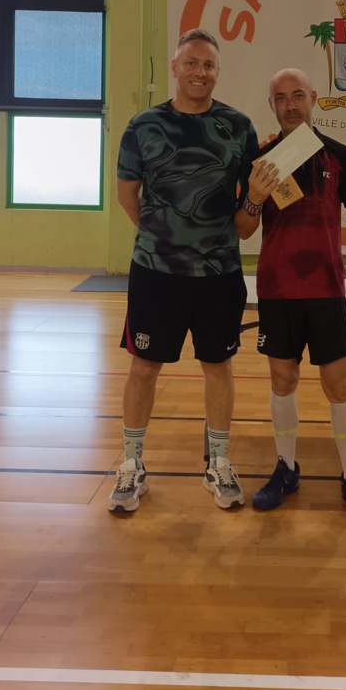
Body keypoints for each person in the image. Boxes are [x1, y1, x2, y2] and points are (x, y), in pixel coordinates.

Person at [109, 28, 278, 515]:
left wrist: (254, 200)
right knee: (144, 367)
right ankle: (132, 464)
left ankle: (218, 463)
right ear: (174, 67)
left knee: (218, 367)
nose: (199, 72)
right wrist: (162, 238)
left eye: (208, 65)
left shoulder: (238, 127)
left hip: (219, 274)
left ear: (217, 72)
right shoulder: (143, 125)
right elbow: (127, 194)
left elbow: (247, 223)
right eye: (191, 63)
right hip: (155, 274)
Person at [236, 67, 346, 523]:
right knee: (282, 381)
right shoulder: (261, 161)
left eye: (297, 95)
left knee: (337, 385)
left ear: (313, 98)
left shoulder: (339, 155)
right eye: (280, 98)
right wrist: (254, 197)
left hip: (326, 288)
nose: (290, 105)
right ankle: (286, 469)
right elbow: (244, 229)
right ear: (272, 105)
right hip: (278, 289)